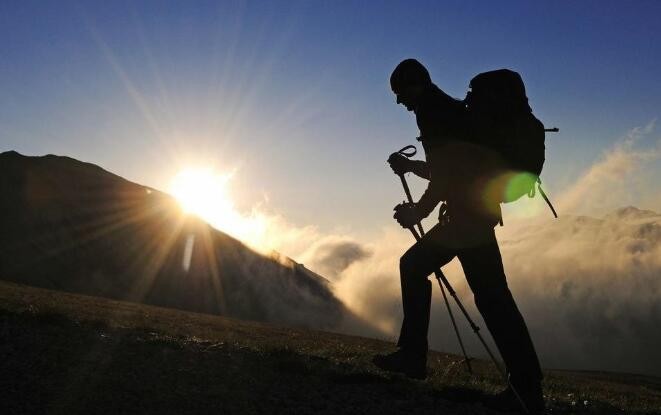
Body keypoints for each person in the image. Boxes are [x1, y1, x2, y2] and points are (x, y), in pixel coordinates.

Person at [373, 59, 544, 413]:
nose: (400, 102)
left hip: (466, 217)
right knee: (495, 300)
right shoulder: (453, 110)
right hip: (476, 214)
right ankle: (527, 388)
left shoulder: (432, 112)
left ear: (415, 85)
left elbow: (447, 176)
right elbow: (447, 169)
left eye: (400, 93)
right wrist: (410, 167)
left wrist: (417, 212)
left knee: (414, 266)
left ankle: (413, 357)